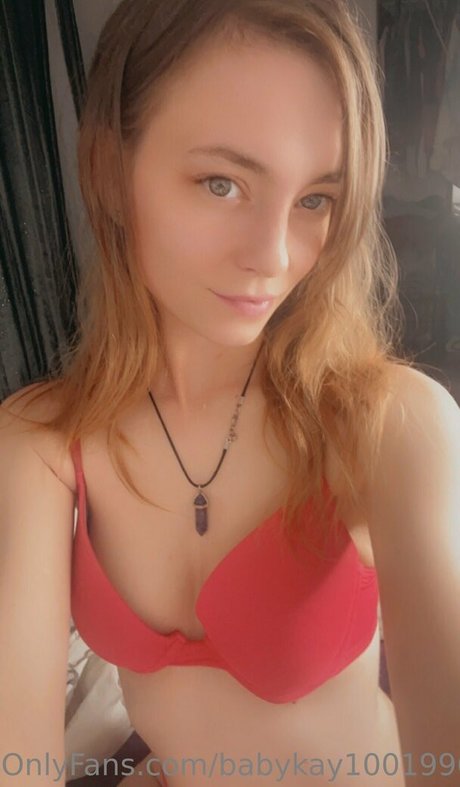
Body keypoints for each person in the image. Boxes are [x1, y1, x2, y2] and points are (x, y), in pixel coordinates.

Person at [0, 1, 459, 785]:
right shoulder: (39, 442)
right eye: (223, 183)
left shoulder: (390, 425)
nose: (274, 256)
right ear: (110, 168)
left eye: (315, 199)